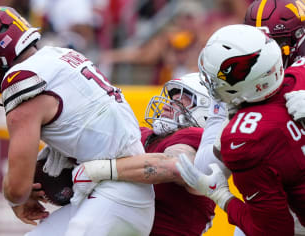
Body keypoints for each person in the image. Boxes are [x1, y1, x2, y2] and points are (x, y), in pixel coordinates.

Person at [0, 6, 154, 236]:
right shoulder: (58, 54)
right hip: (117, 192)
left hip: (116, 195)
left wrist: (14, 197)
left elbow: (18, 188)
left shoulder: (21, 80)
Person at [176, 24, 305, 236]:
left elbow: (272, 232)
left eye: (215, 76)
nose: (209, 82)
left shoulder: (245, 139)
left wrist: (220, 196)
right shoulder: (299, 74)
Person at [72, 72, 230, 235]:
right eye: (171, 100)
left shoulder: (196, 138)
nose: (167, 105)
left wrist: (98, 170)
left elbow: (176, 166)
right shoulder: (144, 135)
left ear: (206, 112)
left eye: (179, 101)